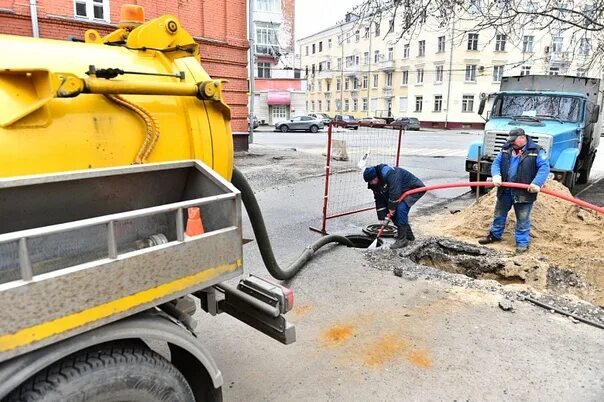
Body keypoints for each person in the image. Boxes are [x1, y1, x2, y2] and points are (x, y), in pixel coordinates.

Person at [479, 128, 550, 253]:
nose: (511, 143)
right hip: (505, 190)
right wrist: (496, 175)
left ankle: (522, 243)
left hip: (524, 193)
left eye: (514, 140)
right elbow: (496, 163)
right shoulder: (506, 149)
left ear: (522, 138)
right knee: (499, 214)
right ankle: (495, 235)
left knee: (523, 218)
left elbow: (544, 168)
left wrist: (536, 183)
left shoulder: (536, 151)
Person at [363, 164, 425, 249]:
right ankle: (409, 236)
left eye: (373, 180)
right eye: (370, 182)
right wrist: (381, 217)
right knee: (393, 213)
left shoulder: (388, 173)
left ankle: (402, 239)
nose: (372, 183)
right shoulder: (374, 184)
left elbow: (395, 192)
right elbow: (379, 199)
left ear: (377, 175)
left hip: (412, 189)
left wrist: (392, 208)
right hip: (400, 191)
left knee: (400, 209)